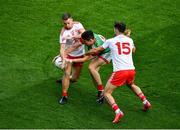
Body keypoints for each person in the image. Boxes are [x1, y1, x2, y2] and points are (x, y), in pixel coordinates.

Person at [86, 22, 151, 123]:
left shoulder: (111, 41)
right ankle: (145, 101)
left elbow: (97, 50)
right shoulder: (130, 40)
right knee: (131, 84)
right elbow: (133, 50)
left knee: (106, 93)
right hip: (131, 70)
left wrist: (87, 53)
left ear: (116, 29)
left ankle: (118, 112)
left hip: (120, 71)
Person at [65, 30, 111, 104]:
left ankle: (101, 91)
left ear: (91, 40)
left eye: (86, 42)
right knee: (93, 74)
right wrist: (74, 37)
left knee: (91, 67)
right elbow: (82, 34)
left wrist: (71, 60)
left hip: (107, 53)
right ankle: (101, 94)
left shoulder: (96, 46)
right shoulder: (90, 36)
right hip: (100, 51)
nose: (85, 44)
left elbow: (85, 59)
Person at [58, 12, 85, 104]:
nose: (67, 25)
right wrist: (63, 59)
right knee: (66, 73)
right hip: (69, 55)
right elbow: (62, 48)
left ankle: (64, 80)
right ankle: (64, 95)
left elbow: (84, 34)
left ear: (72, 20)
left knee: (75, 78)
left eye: (68, 23)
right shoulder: (63, 33)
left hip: (80, 54)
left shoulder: (78, 25)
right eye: (64, 23)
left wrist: (74, 36)